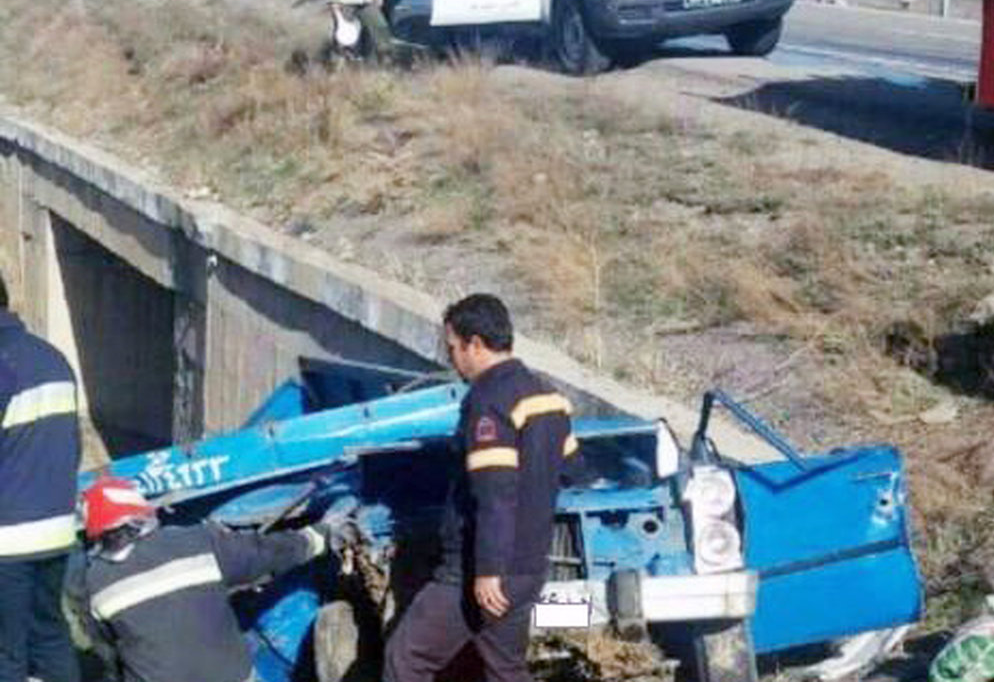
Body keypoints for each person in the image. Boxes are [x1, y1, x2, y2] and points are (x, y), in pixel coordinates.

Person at [384, 294, 578, 682]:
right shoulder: (547, 396)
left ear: (475, 344)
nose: (452, 359)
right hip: (529, 567)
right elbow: (572, 468)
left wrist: (488, 571)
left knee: (406, 658)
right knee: (506, 670)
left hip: (478, 571)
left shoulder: (489, 401)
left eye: (453, 348)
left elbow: (496, 494)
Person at [70, 476, 332, 682]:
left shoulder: (92, 584)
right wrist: (316, 538)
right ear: (141, 514)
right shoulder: (195, 541)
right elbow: (263, 553)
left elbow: (108, 655)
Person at [0, 270, 82, 682]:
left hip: (7, 537)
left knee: (6, 651)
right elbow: (72, 444)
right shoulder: (52, 358)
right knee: (49, 636)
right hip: (55, 527)